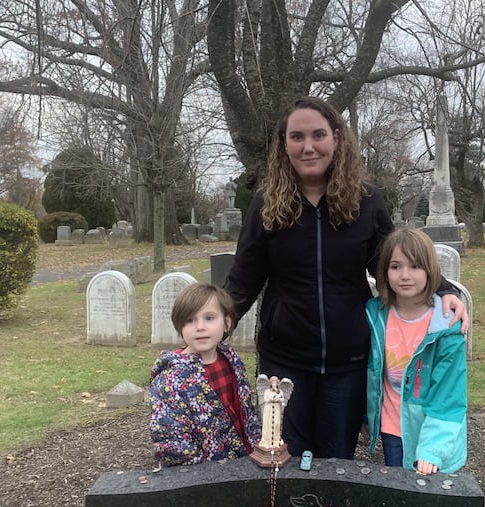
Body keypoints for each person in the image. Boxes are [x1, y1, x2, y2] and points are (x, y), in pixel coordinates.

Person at [223, 95, 468, 460]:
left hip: (348, 361)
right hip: (284, 361)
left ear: (336, 138)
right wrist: (210, 327)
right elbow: (242, 281)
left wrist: (443, 290)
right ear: (284, 145)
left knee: (336, 464)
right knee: (284, 461)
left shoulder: (366, 201)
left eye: (318, 135)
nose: (308, 146)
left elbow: (392, 260)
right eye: (297, 137)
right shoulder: (265, 204)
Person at [365, 227, 467, 474]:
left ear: (430, 270)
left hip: (433, 432)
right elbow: (369, 372)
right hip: (393, 429)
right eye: (395, 266)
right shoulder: (374, 315)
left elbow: (449, 395)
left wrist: (433, 449)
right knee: (399, 487)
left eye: (415, 266)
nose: (405, 276)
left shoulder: (446, 328)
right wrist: (367, 417)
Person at [147, 283, 261, 466]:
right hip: (201, 472)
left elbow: (246, 413)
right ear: (180, 328)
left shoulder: (231, 361)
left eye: (209, 318)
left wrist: (256, 446)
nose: (200, 327)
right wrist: (203, 472)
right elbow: (171, 440)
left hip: (242, 460)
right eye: (190, 320)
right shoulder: (171, 379)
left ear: (227, 323)